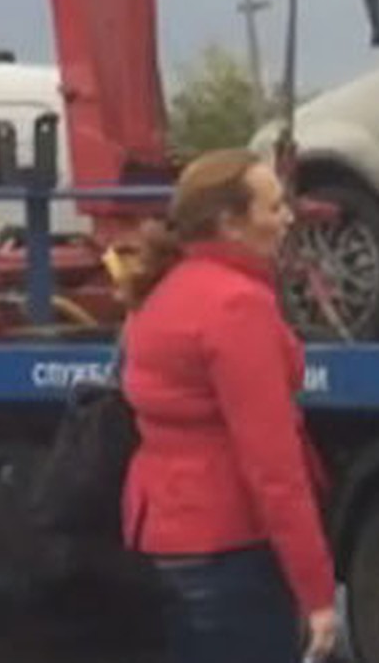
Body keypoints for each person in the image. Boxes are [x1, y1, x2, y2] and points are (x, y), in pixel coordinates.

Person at [119, 148, 337, 663]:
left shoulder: (163, 291)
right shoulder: (237, 305)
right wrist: (318, 594)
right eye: (274, 207)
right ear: (230, 224)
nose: (288, 218)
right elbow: (273, 468)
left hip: (173, 532)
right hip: (230, 541)